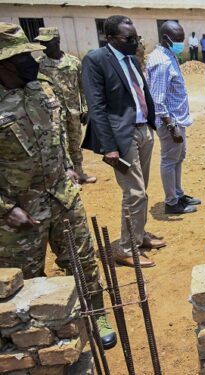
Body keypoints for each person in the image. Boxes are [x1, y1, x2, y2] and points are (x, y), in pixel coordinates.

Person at [0, 22, 116, 348]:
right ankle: (43, 332)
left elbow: (62, 132)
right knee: (26, 278)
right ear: (5, 63)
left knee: (83, 260)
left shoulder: (43, 89)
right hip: (19, 210)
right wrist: (6, 209)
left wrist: (69, 168)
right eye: (23, 57)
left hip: (61, 195)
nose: (33, 62)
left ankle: (96, 313)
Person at [82, 15, 162, 267]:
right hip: (121, 136)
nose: (134, 42)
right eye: (129, 39)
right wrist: (109, 147)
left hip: (143, 130)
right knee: (134, 193)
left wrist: (151, 125)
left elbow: (142, 93)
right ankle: (126, 248)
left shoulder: (132, 59)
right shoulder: (96, 60)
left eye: (136, 37)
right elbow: (97, 106)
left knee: (141, 189)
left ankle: (138, 235)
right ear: (110, 38)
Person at [146, 20, 201, 215]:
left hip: (177, 120)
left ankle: (178, 193)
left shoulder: (168, 56)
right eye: (177, 40)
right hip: (170, 122)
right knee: (170, 160)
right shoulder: (161, 62)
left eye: (182, 39)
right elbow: (157, 99)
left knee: (179, 157)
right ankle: (171, 202)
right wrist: (171, 126)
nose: (181, 43)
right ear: (166, 38)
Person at [35, 27, 96, 184]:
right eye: (41, 42)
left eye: (46, 42)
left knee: (75, 142)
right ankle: (67, 178)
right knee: (59, 143)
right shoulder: (38, 64)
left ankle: (79, 172)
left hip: (73, 110)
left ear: (57, 42)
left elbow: (84, 87)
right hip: (52, 113)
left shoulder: (73, 62)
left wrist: (86, 108)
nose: (43, 46)